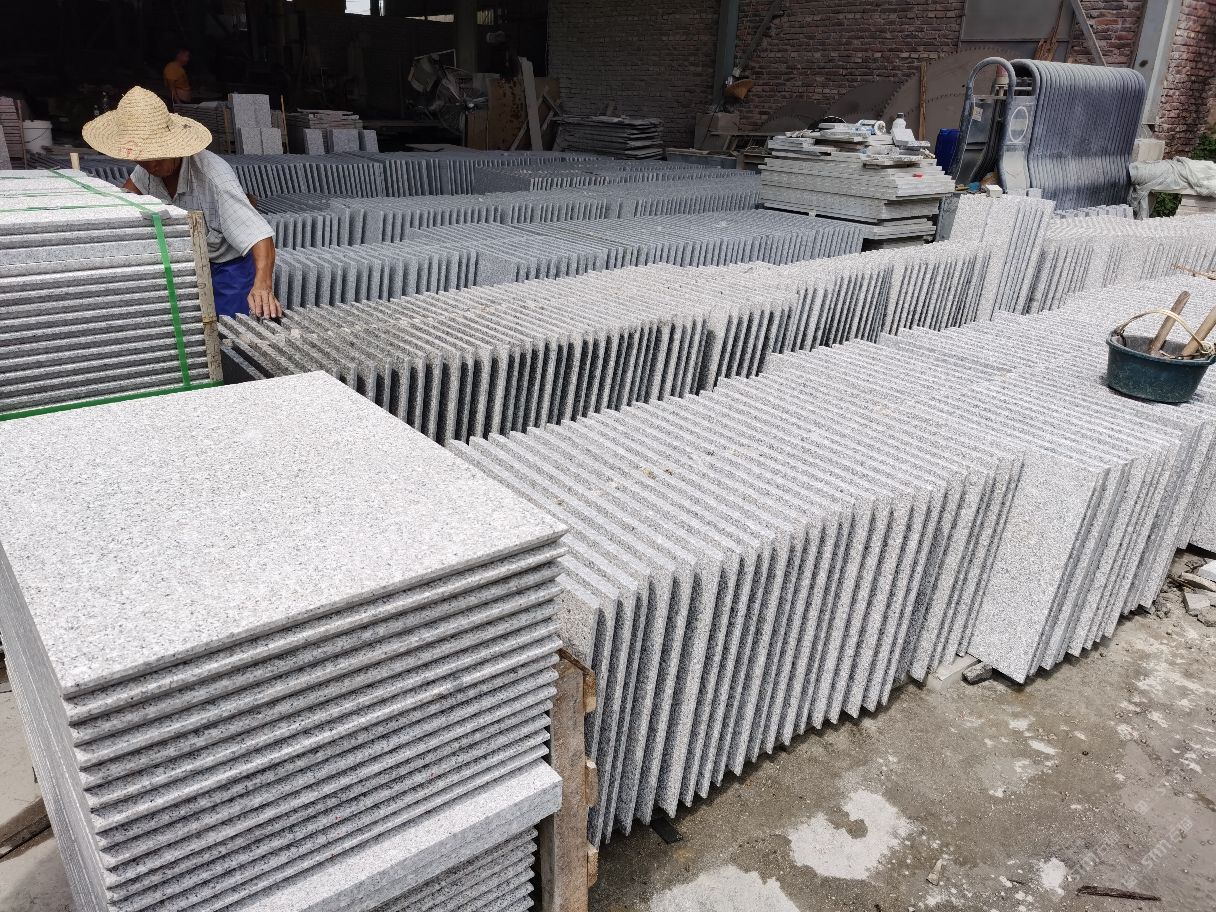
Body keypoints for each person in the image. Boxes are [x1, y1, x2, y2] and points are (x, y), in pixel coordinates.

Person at [82, 86, 282, 319]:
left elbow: (259, 236)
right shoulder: (147, 169)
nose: (151, 166)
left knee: (232, 329)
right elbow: (126, 198)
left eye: (157, 157)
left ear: (174, 146)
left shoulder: (214, 177)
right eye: (142, 159)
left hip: (229, 266)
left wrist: (263, 285)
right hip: (190, 261)